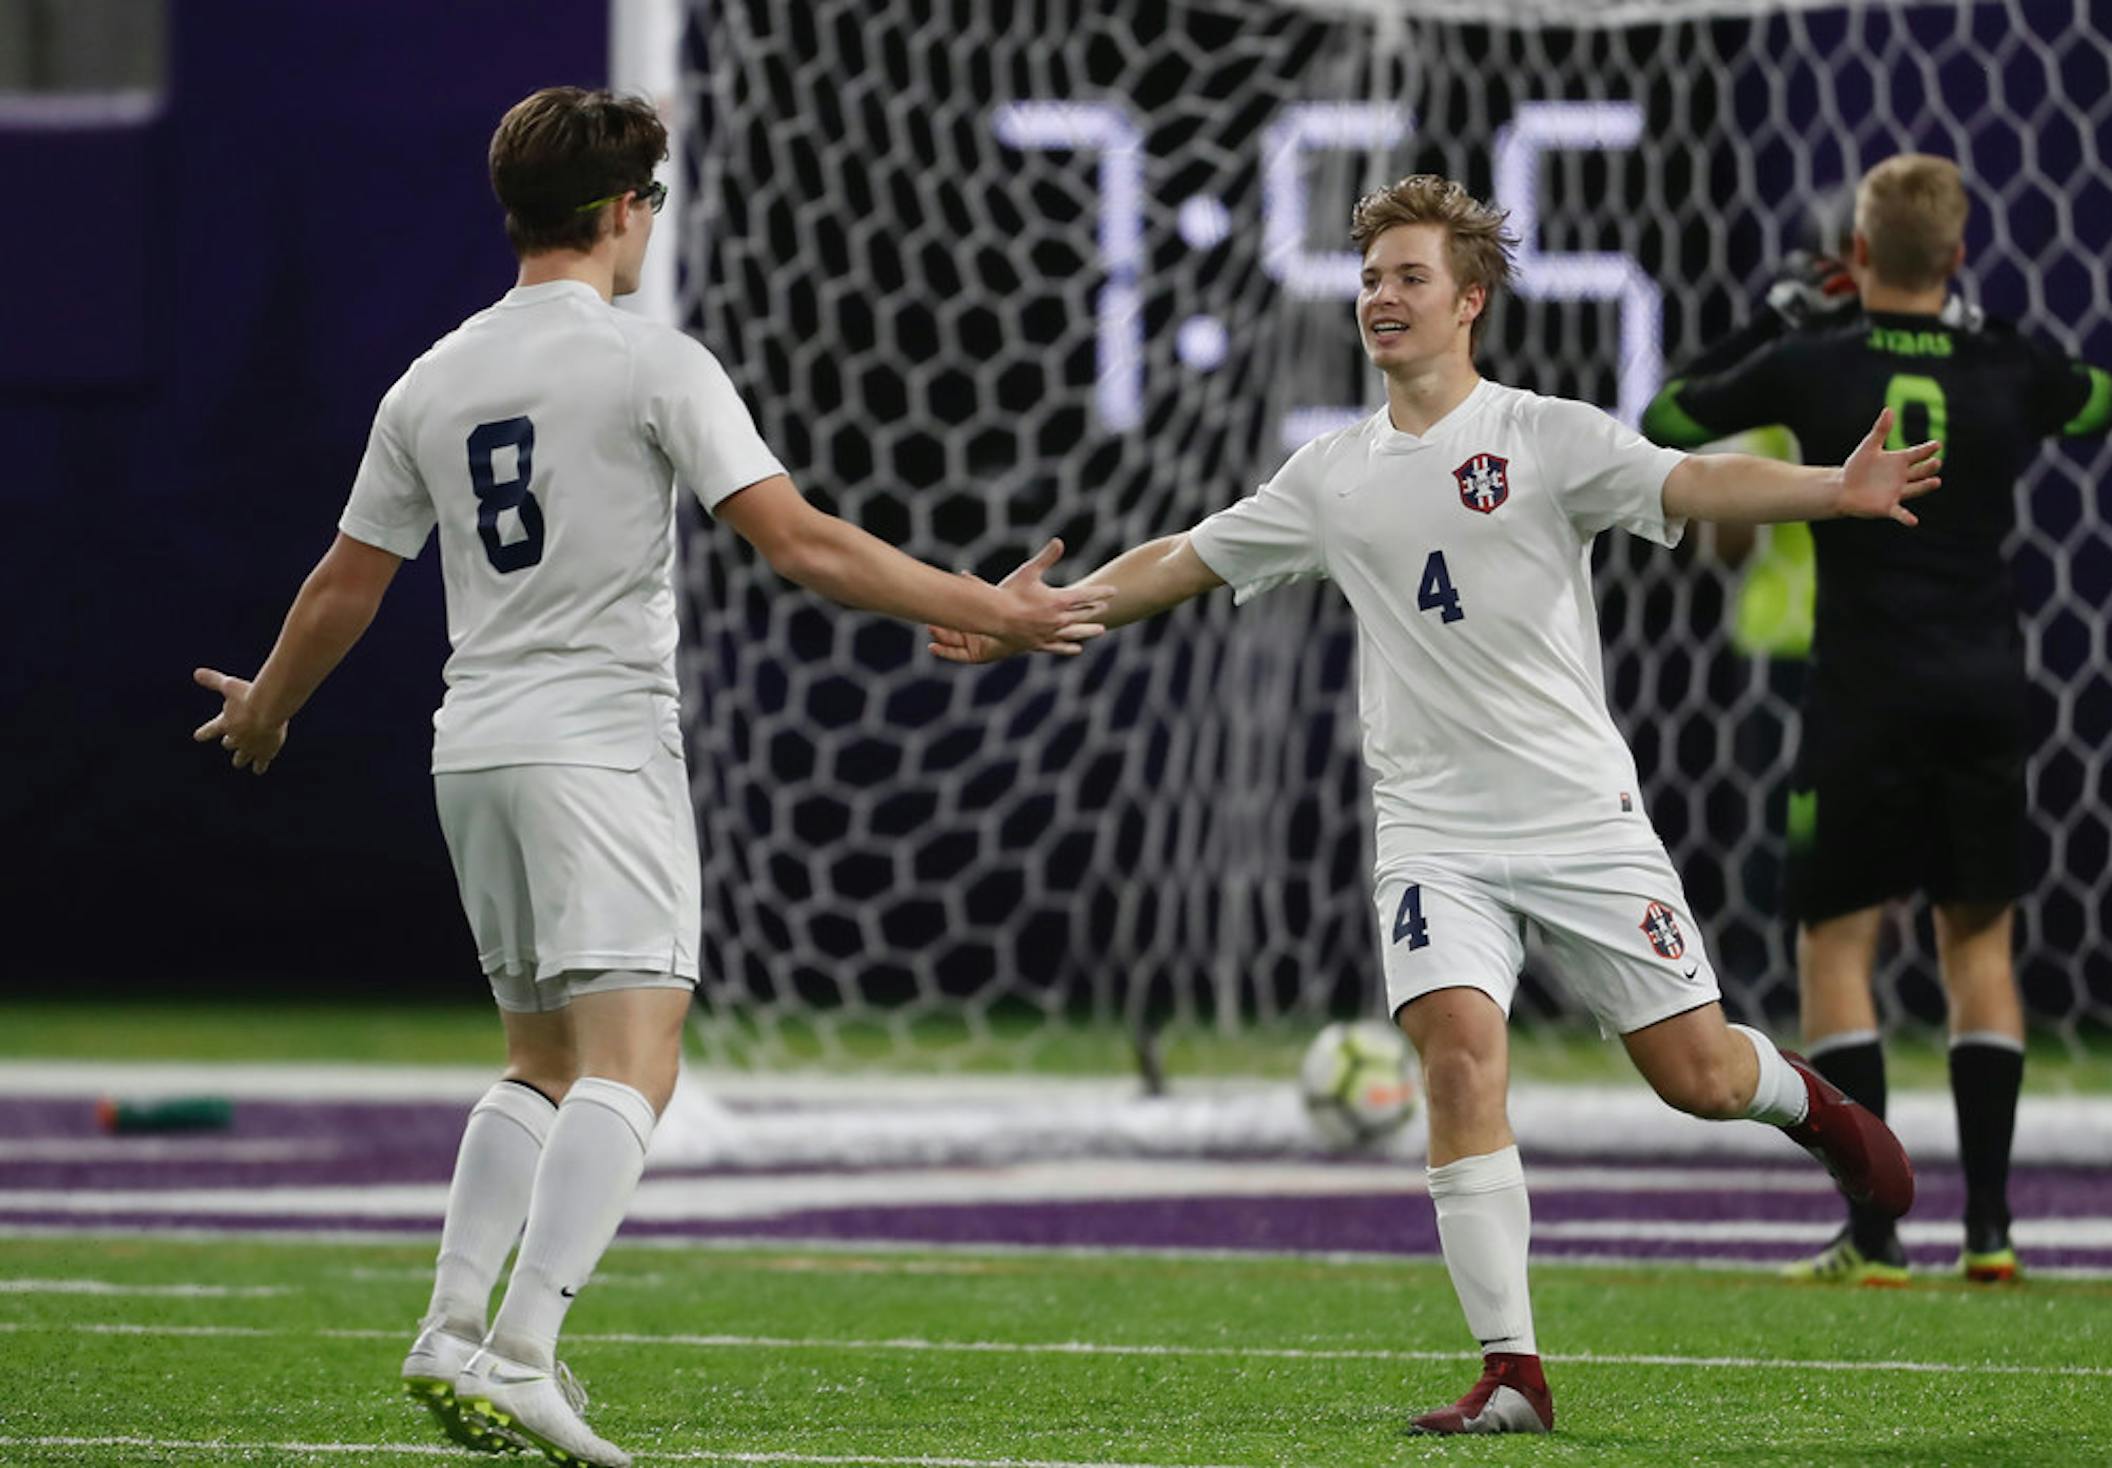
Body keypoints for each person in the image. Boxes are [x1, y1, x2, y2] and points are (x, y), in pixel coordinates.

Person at [190, 86, 1110, 1468]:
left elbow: (346, 581)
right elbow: (798, 542)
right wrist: (994, 601)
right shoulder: (651, 363)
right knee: (639, 1058)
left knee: (541, 1062)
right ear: (626, 214)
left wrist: (269, 701)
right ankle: (523, 1353)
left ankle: (452, 1332)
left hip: (476, 752)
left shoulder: (430, 379)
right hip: (597, 748)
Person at [929, 173, 1927, 1437]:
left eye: (1408, 278)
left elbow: (1688, 481)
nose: (1380, 298)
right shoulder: (1330, 474)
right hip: (1433, 836)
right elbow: (1181, 558)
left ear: (1469, 301)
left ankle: (1825, 1114)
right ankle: (1514, 1369)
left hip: (1580, 821)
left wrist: (1829, 492)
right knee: (1459, 1056)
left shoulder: (1545, 434)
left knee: (1703, 1078)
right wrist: (1025, 618)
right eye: (1370, 278)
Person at [1642, 154, 2112, 1287]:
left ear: (1854, 257)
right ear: (1956, 256)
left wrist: (1778, 318)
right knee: (1979, 943)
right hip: (1986, 679)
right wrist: (1978, 322)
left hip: (1861, 686)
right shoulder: (2003, 361)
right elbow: (2095, 395)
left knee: (1836, 944)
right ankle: (1993, 1233)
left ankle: (1875, 1236)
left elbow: (1667, 411)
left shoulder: (1816, 358)